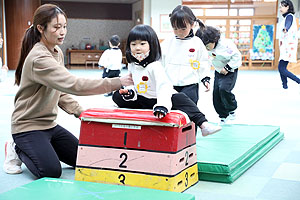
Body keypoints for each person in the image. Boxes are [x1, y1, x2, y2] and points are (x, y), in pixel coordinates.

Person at [3, 4, 133, 177]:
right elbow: (74, 84)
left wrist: (80, 112)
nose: (62, 31)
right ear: (41, 28)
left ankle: (41, 148)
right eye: (56, 27)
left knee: (83, 160)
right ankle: (16, 148)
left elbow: (60, 90)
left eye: (64, 26)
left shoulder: (56, 52)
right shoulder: (39, 58)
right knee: (51, 170)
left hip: (49, 125)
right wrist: (118, 82)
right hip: (27, 127)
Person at [112, 24, 221, 137]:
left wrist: (162, 105)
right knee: (117, 96)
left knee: (181, 98)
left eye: (142, 44)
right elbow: (132, 83)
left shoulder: (155, 66)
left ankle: (204, 124)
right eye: (133, 44)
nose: (137, 48)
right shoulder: (132, 65)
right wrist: (130, 93)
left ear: (151, 45)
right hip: (143, 99)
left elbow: (163, 87)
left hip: (159, 99)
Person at [161, 5, 210, 105]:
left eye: (183, 29)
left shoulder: (197, 42)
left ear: (192, 25)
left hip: (190, 84)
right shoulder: (167, 42)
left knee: (189, 109)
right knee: (172, 109)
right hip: (170, 84)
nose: (179, 33)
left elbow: (203, 61)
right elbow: (159, 61)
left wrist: (205, 78)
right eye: (175, 29)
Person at [196, 26, 242, 124]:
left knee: (224, 89)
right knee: (216, 95)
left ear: (214, 40)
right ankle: (223, 116)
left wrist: (228, 68)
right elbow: (206, 63)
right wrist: (206, 78)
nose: (206, 49)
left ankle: (232, 108)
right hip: (218, 71)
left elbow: (237, 57)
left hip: (230, 70)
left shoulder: (226, 45)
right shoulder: (205, 49)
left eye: (207, 46)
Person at [278, 0, 300, 90]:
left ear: (287, 7)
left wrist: (286, 28)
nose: (280, 9)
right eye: (279, 7)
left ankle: (297, 81)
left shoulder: (289, 16)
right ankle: (285, 85)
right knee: (281, 67)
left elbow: (288, 23)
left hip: (288, 47)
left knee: (281, 68)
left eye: (282, 7)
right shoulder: (286, 17)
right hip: (286, 46)